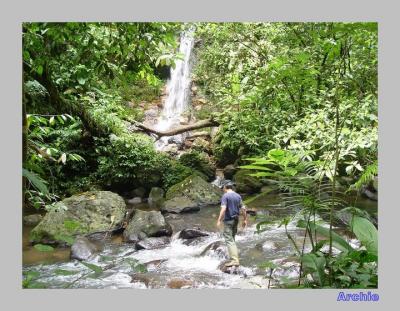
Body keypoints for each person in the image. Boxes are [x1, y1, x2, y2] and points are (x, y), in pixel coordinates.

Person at [216, 183, 247, 267]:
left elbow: (223, 208)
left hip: (228, 220)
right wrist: (245, 219)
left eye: (223, 188)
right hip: (236, 219)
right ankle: (234, 257)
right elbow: (243, 208)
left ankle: (234, 260)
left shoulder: (225, 196)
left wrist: (219, 220)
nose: (222, 189)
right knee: (232, 238)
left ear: (225, 188)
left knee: (229, 240)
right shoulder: (238, 196)